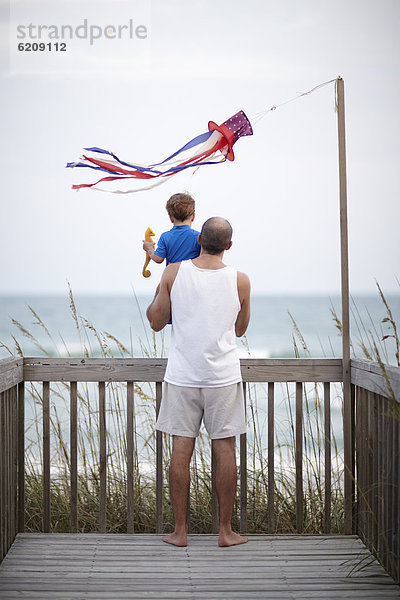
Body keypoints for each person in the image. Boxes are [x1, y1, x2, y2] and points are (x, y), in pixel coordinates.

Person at [146, 217, 251, 547]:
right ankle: (225, 531)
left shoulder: (174, 272)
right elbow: (240, 329)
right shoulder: (241, 280)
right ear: (229, 246)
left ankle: (180, 532)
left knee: (181, 451)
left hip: (182, 377)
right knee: (225, 451)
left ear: (199, 239)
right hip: (222, 377)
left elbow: (156, 321)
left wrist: (161, 290)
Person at [142, 192, 200, 266]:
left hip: (172, 275)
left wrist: (149, 248)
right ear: (193, 216)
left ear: (171, 218)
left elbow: (158, 259)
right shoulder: (199, 237)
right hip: (192, 276)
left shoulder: (165, 237)